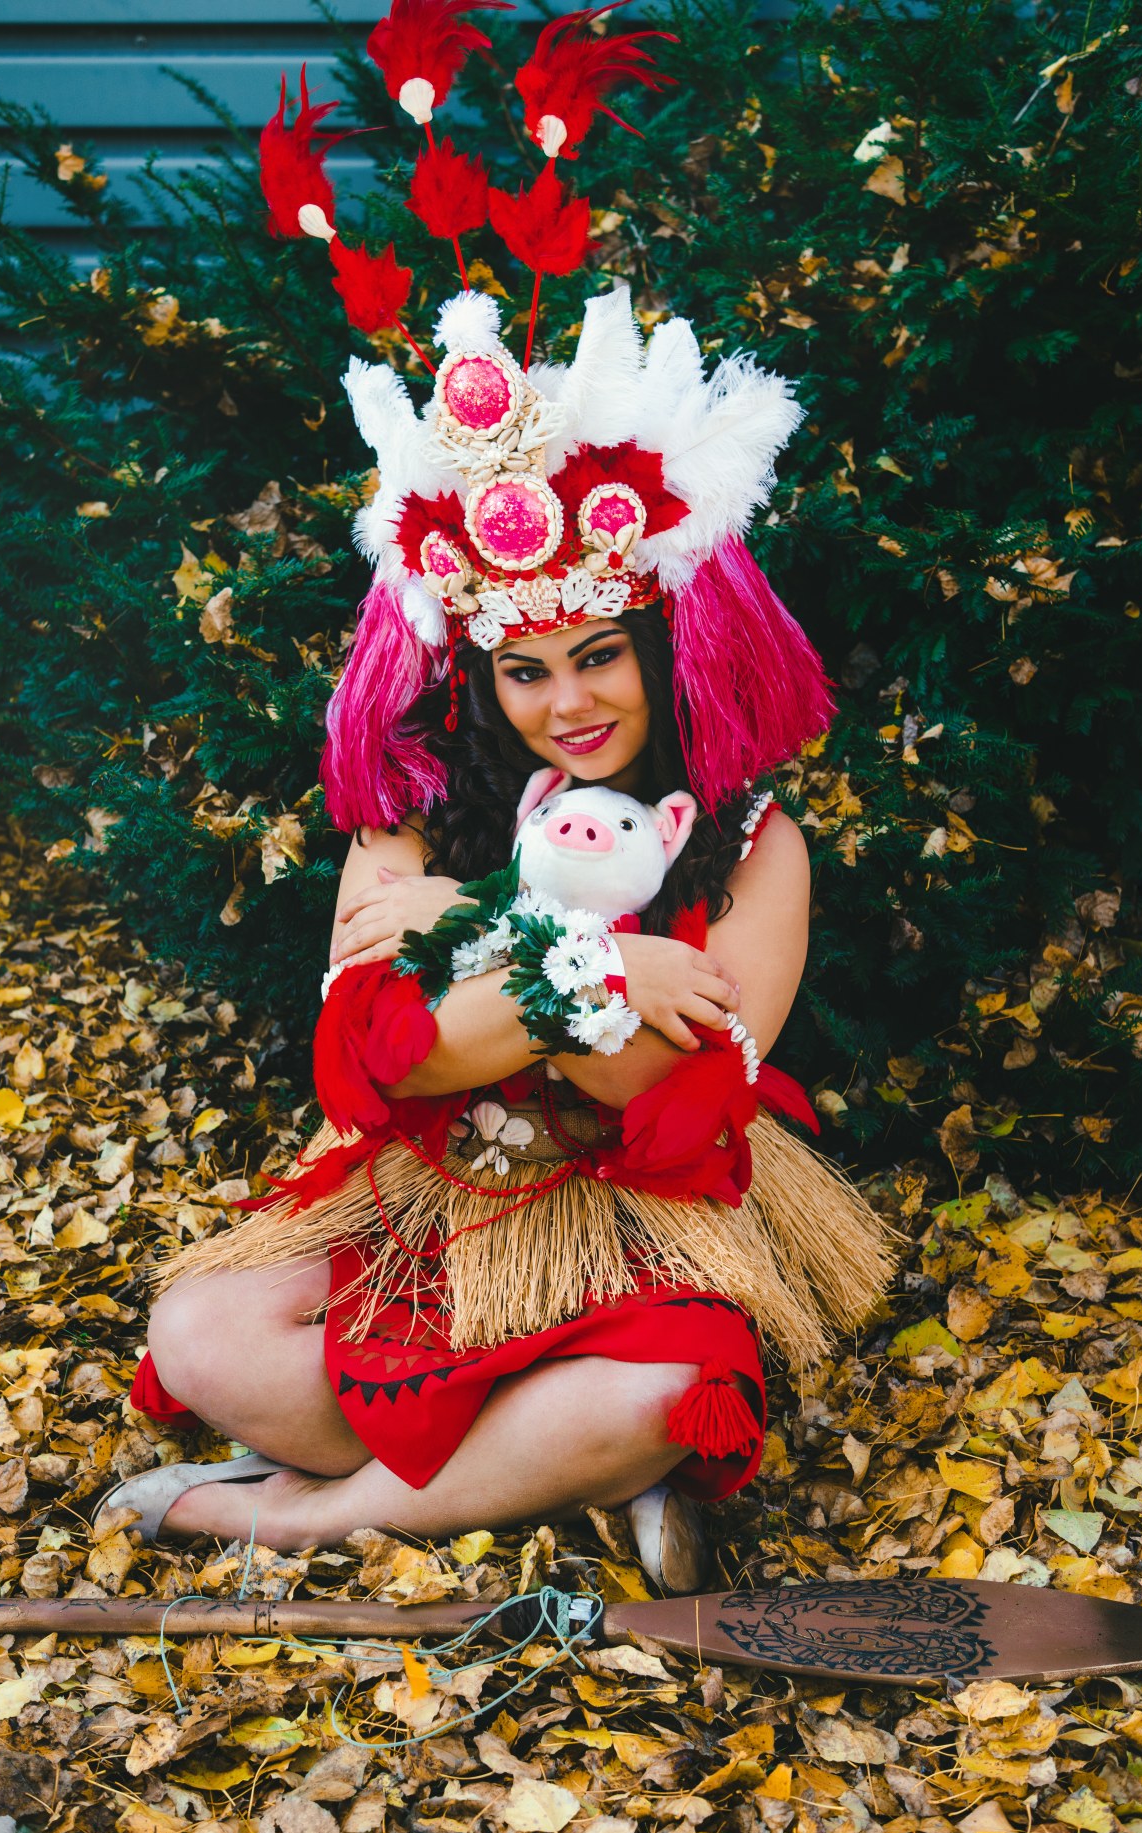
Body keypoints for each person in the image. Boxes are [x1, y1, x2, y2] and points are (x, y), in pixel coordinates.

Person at [96, 11, 897, 1589]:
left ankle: (311, 1508)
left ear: (662, 647)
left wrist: (473, 949)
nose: (569, 703)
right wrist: (603, 967)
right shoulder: (404, 810)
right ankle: (558, 1475)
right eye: (525, 673)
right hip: (434, 1198)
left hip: (641, 1222)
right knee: (201, 1334)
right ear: (478, 678)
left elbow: (662, 1102)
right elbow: (381, 1063)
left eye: (600, 657)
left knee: (659, 1386)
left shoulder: (751, 844)